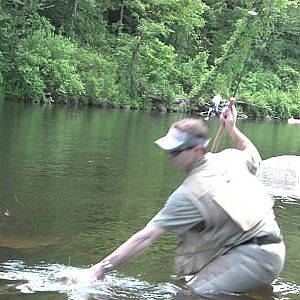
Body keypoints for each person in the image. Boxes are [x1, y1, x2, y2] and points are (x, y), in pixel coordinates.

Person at [73, 101, 285, 295]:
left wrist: (99, 269)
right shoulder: (230, 158)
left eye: (175, 150)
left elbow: (145, 237)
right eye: (168, 149)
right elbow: (252, 153)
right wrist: (232, 128)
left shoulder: (188, 194)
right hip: (269, 252)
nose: (169, 155)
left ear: (196, 150)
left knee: (188, 294)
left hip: (255, 259)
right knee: (188, 283)